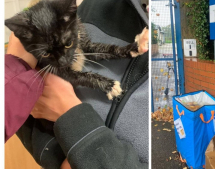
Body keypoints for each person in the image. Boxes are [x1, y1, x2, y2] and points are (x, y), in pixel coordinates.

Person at [10, 0, 149, 168]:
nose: (62, 61)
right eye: (47, 53)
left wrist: (69, 115)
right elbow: (26, 115)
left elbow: (90, 50)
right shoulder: (93, 7)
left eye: (68, 44)